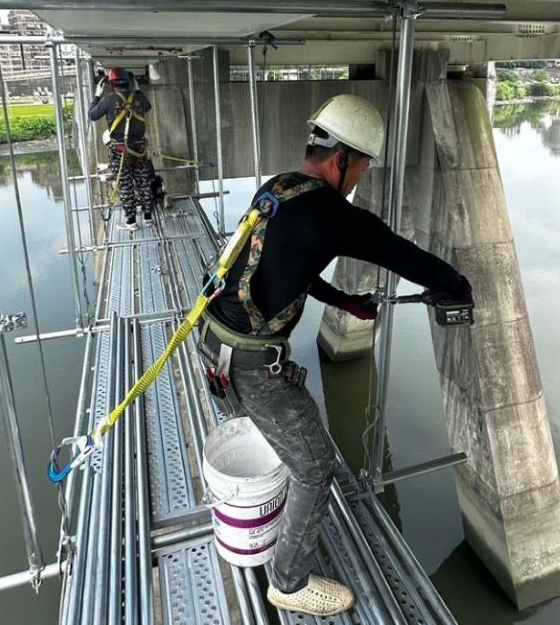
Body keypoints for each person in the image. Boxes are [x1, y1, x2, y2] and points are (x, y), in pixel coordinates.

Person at [198, 94, 473, 617]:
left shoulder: (277, 188)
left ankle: (272, 526)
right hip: (254, 365)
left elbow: (286, 266)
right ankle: (288, 580)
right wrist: (457, 284)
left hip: (214, 345)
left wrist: (341, 299)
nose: (359, 180)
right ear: (341, 158)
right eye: (362, 168)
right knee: (316, 465)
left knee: (279, 440)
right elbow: (403, 254)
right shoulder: (330, 214)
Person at [89, 68, 154, 230]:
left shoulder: (108, 100)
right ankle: (147, 218)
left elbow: (92, 115)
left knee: (125, 185)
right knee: (143, 182)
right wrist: (137, 89)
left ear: (111, 84)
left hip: (120, 151)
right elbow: (148, 107)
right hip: (139, 150)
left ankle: (131, 221)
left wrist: (97, 95)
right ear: (129, 82)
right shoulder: (138, 99)